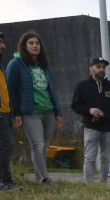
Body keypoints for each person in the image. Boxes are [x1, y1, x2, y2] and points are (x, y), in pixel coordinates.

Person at [6, 31, 63, 185]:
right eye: (31, 43)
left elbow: (50, 89)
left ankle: (40, 177)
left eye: (37, 43)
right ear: (24, 46)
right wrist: (15, 113)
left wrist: (58, 111)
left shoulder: (43, 65)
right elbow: (10, 90)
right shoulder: (16, 64)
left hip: (49, 111)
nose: (35, 45)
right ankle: (45, 178)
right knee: (37, 145)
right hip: (30, 112)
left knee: (44, 146)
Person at [70, 57, 110, 184]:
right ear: (91, 69)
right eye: (98, 66)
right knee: (89, 157)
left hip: (109, 128)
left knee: (105, 158)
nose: (101, 69)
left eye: (103, 67)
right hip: (91, 127)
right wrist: (89, 110)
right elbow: (75, 105)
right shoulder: (82, 86)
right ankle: (88, 183)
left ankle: (103, 184)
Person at [0, 31, 21, 191]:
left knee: (6, 145)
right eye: (0, 42)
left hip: (6, 113)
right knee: (7, 145)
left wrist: (14, 112)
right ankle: (4, 181)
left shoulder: (1, 66)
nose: (3, 46)